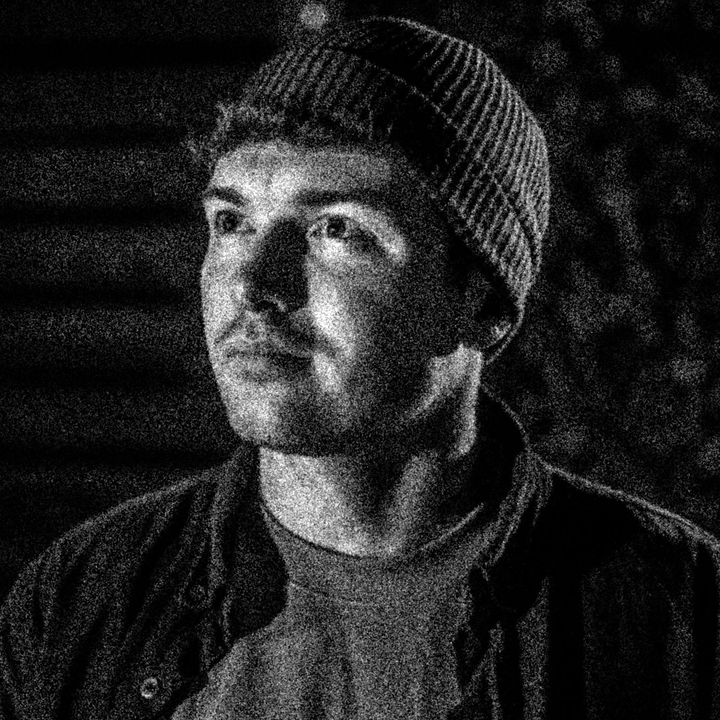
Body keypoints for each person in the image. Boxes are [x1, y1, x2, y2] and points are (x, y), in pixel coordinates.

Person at [1, 15, 719, 720]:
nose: (254, 284)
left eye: (337, 229)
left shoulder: (681, 618)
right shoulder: (78, 605)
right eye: (232, 222)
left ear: (481, 301)